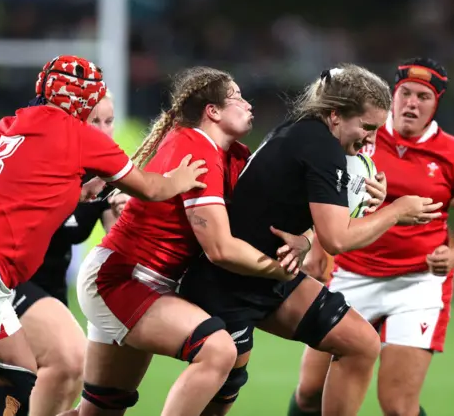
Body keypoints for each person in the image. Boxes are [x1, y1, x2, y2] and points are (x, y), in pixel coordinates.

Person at [179, 64, 445, 416]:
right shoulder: (321, 149)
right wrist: (395, 212)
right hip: (229, 284)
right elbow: (336, 239)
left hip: (272, 275)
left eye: (378, 129)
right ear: (335, 115)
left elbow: (304, 213)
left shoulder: (308, 133)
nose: (371, 140)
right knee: (220, 396)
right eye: (367, 127)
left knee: (360, 343)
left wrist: (307, 239)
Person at [75, 66, 312, 416]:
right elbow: (220, 249)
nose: (248, 104)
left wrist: (321, 226)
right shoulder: (196, 147)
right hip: (122, 280)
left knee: (100, 411)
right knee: (218, 350)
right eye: (236, 96)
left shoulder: (229, 155)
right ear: (212, 111)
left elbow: (282, 204)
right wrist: (279, 270)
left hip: (138, 282)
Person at [0, 54, 207, 413]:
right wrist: (178, 180)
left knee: (15, 373)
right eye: (96, 112)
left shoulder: (10, 125)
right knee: (16, 384)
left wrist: (76, 189)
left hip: (2, 280)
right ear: (83, 102)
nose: (102, 125)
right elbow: (151, 189)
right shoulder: (77, 135)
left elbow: (20, 189)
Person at [288, 57, 454, 416]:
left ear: (436, 104)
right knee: (309, 392)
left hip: (416, 284)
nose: (412, 103)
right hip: (351, 273)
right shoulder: (361, 135)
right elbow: (325, 191)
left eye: (423, 96)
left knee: (398, 406)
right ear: (393, 94)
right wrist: (318, 242)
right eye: (405, 93)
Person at [0, 91, 131, 416]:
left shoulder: (109, 177)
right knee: (68, 358)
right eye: (92, 121)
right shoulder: (36, 160)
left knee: (53, 383)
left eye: (108, 121)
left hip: (51, 295)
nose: (102, 130)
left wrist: (126, 217)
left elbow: (120, 258)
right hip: (6, 282)